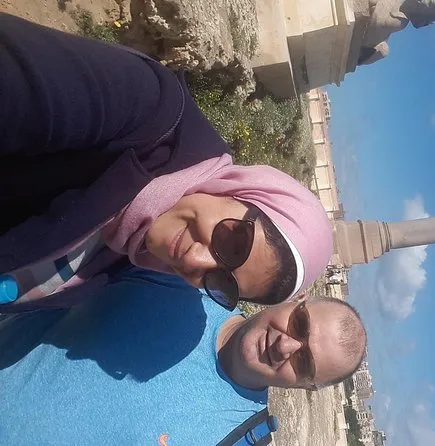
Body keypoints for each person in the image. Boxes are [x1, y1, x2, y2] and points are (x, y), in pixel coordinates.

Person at [0, 13, 333, 312]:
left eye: (222, 283)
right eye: (233, 244)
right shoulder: (146, 109)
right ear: (240, 191)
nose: (194, 260)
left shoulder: (128, 254)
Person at [0, 265, 367, 444]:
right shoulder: (183, 280)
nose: (285, 346)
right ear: (296, 300)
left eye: (304, 362)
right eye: (299, 324)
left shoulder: (234, 439)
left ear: (307, 387)